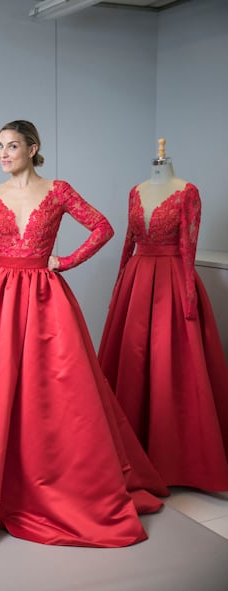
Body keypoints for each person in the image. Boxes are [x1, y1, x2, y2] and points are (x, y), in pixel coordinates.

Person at [0, 120, 168, 554]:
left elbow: (103, 228)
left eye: (12, 145)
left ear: (32, 148)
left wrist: (65, 261)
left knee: (55, 391)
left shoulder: (58, 190)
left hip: (44, 296)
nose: (3, 154)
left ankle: (50, 482)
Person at [98, 147, 228, 491]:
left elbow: (190, 247)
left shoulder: (188, 192)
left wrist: (187, 300)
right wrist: (119, 286)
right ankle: (130, 448)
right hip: (137, 280)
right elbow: (128, 241)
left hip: (172, 281)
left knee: (170, 365)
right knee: (133, 360)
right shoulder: (135, 192)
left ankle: (176, 458)